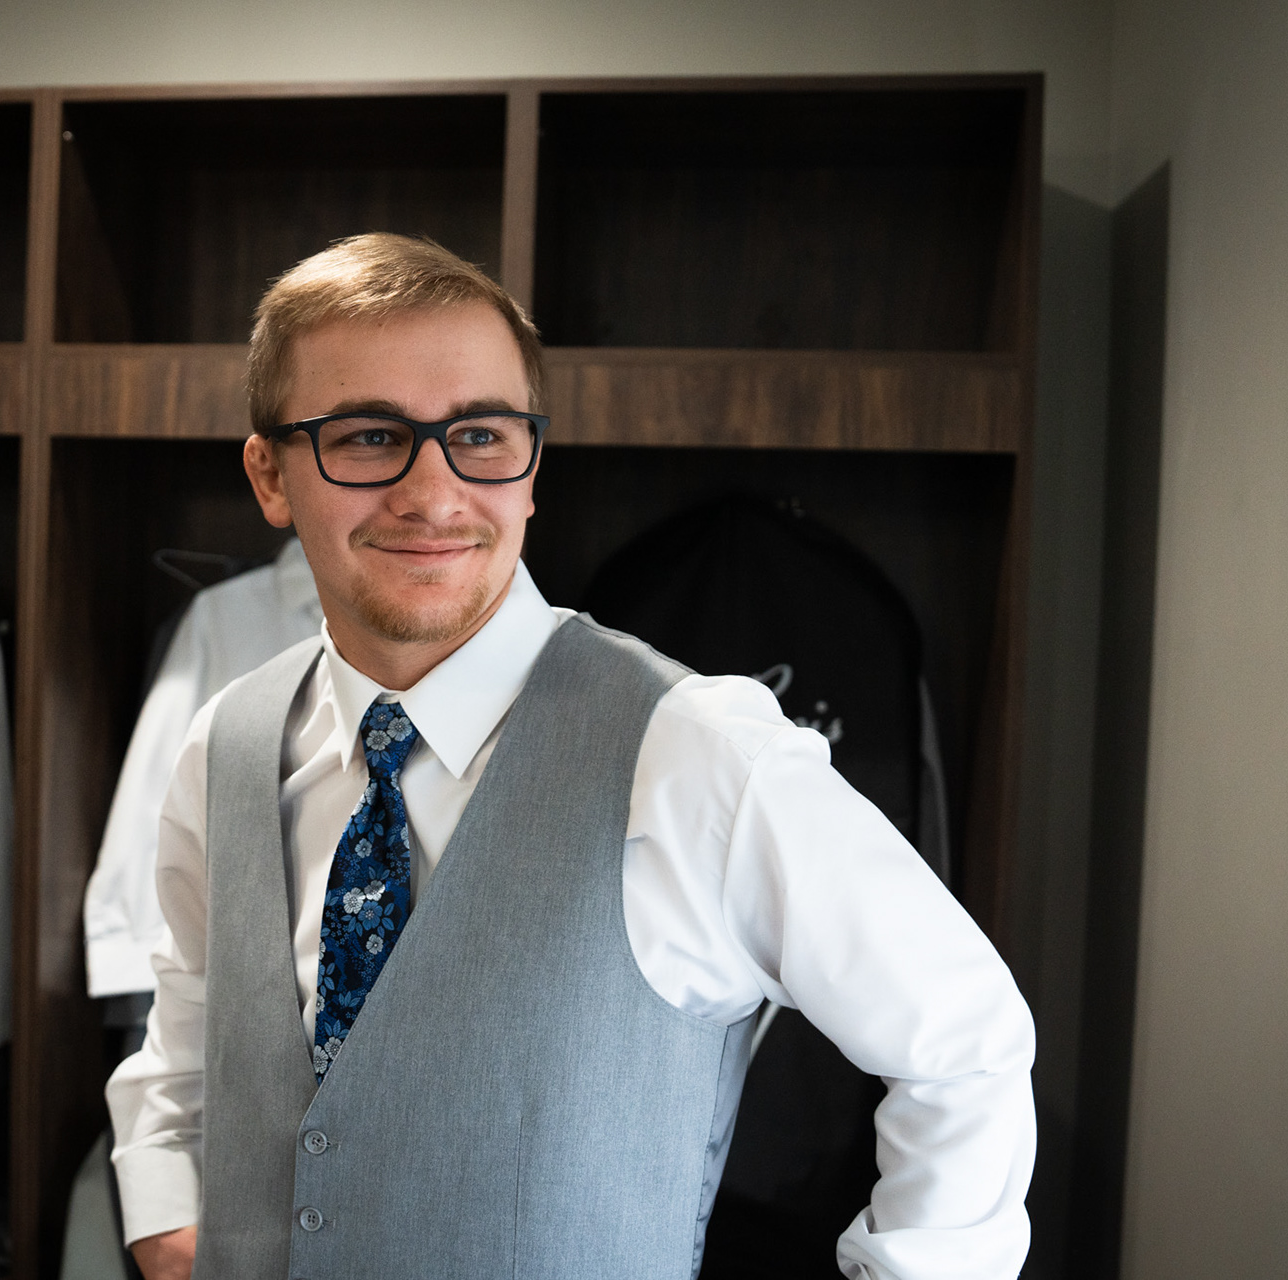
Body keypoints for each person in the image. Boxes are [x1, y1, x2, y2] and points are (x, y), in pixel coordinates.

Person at [105, 233, 1036, 1280]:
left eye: (480, 435)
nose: (434, 492)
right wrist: (165, 1219)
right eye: (369, 437)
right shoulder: (226, 741)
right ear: (270, 474)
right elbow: (187, 1031)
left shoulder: (695, 750)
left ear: (531, 467)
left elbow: (967, 1044)